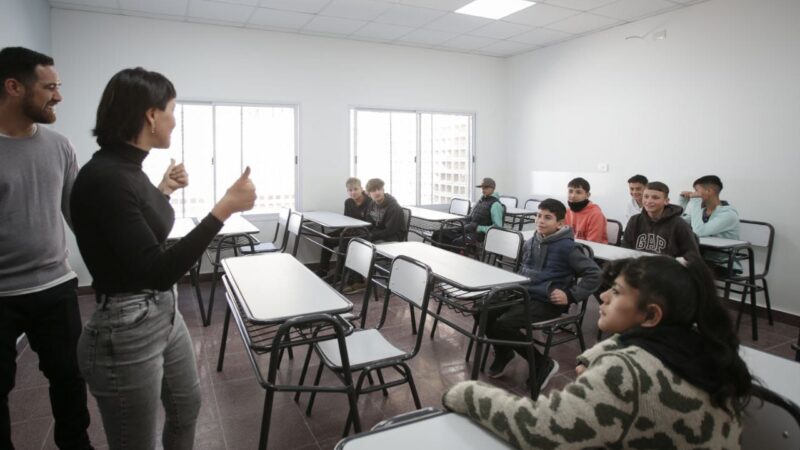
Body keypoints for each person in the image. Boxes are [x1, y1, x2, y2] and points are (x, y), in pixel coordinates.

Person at [70, 67, 256, 450]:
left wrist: (164, 189)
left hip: (161, 313)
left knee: (187, 407)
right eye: (172, 109)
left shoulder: (129, 170)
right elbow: (156, 269)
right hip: (126, 327)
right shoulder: (106, 177)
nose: (175, 118)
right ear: (151, 115)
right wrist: (224, 208)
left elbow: (143, 229)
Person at [443, 255, 752, 449]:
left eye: (616, 292)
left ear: (652, 315)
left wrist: (464, 393)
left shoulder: (625, 371)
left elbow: (541, 430)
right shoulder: (703, 347)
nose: (601, 297)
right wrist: (595, 362)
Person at [0, 46, 94, 450]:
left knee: (70, 377)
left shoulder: (60, 145)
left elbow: (78, 215)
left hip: (55, 285)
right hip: (2, 295)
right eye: (50, 87)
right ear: (14, 87)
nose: (58, 95)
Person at [485, 199, 601, 389]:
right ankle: (504, 352)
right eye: (539, 215)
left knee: (504, 324)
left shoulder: (568, 248)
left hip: (548, 301)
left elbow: (595, 274)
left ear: (560, 223)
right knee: (483, 310)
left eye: (548, 217)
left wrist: (571, 296)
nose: (541, 220)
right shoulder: (531, 241)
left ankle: (542, 363)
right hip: (524, 293)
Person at [680, 175, 741, 276]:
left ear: (709, 191)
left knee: (678, 270)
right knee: (670, 264)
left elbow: (698, 231)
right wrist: (683, 201)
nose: (693, 193)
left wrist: (695, 201)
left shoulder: (728, 214)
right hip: (702, 258)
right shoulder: (702, 211)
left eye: (696, 190)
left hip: (723, 263)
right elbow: (677, 221)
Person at [622, 181, 700, 258]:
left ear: (666, 201)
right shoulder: (634, 220)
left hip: (666, 268)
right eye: (646, 197)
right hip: (639, 267)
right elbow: (625, 249)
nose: (649, 201)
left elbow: (691, 256)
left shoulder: (679, 224)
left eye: (655, 198)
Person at [316, 177, 372, 279]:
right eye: (350, 190)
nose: (353, 192)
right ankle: (323, 269)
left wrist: (349, 232)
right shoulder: (348, 202)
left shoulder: (370, 202)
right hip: (349, 229)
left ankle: (339, 275)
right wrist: (346, 231)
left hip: (363, 232)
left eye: (355, 189)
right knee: (328, 238)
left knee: (344, 242)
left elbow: (369, 224)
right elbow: (347, 220)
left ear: (361, 189)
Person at [433, 177, 503, 250]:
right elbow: (470, 216)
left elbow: (497, 227)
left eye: (485, 188)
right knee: (438, 234)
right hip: (468, 228)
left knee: (457, 242)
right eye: (482, 188)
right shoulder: (481, 200)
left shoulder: (495, 205)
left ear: (492, 188)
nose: (483, 190)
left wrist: (479, 228)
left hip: (479, 235)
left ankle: (454, 258)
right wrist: (463, 222)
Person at [564, 177, 608, 243]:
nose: (573, 195)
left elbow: (593, 244)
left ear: (587, 195)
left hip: (592, 251)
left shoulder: (596, 215)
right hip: (570, 248)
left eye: (578, 192)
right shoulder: (566, 212)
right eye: (570, 191)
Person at [363, 178, 405, 243]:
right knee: (357, 240)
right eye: (373, 190)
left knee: (367, 246)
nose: (377, 192)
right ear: (369, 194)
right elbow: (369, 224)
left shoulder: (394, 207)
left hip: (393, 237)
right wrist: (365, 234)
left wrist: (372, 235)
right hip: (379, 235)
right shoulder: (372, 204)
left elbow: (390, 230)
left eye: (379, 189)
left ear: (383, 190)